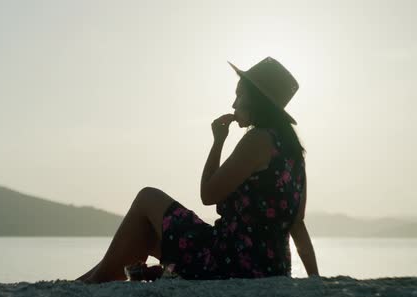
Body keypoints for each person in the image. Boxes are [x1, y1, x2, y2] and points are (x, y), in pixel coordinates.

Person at [76, 56, 319, 283]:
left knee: (147, 197)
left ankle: (92, 282)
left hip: (231, 261)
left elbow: (208, 195)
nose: (233, 103)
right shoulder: (294, 154)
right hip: (272, 267)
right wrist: (315, 279)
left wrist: (218, 141)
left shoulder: (258, 140)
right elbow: (298, 224)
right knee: (145, 233)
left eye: (239, 95)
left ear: (256, 99)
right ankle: (89, 281)